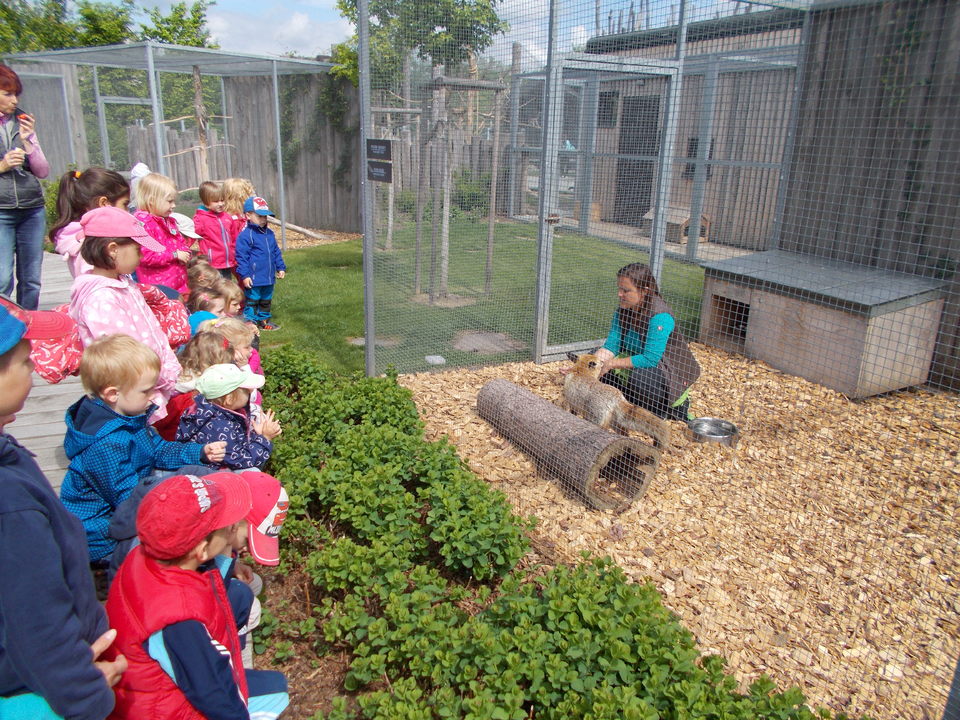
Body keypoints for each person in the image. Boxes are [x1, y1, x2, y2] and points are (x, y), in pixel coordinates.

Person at [0, 301, 126, 719]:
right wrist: (88, 696)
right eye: (24, 361)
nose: (34, 366)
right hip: (42, 693)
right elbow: (36, 619)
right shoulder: (10, 502)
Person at [106, 472, 289, 720]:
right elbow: (214, 694)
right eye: (226, 526)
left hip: (149, 689)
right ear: (202, 550)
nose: (232, 527)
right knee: (277, 694)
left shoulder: (142, 557)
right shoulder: (179, 618)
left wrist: (225, 552)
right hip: (167, 711)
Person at [59, 334, 226, 563]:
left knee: (194, 475)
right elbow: (128, 499)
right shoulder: (106, 444)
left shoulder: (127, 417)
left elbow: (159, 450)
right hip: (102, 535)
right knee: (170, 545)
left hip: (129, 503)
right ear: (112, 394)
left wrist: (199, 452)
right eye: (146, 391)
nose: (153, 398)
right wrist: (175, 501)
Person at [68, 205, 184, 414]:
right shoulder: (101, 299)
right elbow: (126, 357)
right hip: (132, 396)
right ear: (113, 249)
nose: (141, 256)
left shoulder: (122, 283)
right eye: (138, 250)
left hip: (150, 387)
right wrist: (165, 378)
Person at [589, 262, 700, 420]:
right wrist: (585, 368)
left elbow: (650, 358)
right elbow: (612, 345)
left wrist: (612, 363)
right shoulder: (624, 310)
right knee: (594, 360)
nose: (619, 294)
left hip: (664, 373)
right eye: (619, 289)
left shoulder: (660, 317)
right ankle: (624, 403)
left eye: (626, 290)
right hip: (636, 365)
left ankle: (659, 412)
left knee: (641, 377)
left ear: (645, 291)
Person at [0, 64, 50, 309]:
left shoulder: (22, 122)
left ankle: (29, 325)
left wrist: (30, 140)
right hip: (2, 210)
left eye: (16, 94)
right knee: (2, 279)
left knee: (31, 280)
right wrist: (2, 165)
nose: (15, 100)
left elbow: (42, 171)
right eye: (7, 94)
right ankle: (5, 328)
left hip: (32, 209)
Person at [177, 363, 281, 471]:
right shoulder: (220, 426)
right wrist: (265, 439)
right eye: (246, 390)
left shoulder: (204, 411)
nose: (250, 391)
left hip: (205, 469)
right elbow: (241, 460)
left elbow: (235, 445)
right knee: (252, 471)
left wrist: (256, 435)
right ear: (229, 399)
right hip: (215, 475)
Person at [50, 167, 131, 278]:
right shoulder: (92, 244)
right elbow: (98, 283)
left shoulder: (85, 239)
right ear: (104, 203)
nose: (127, 212)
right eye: (125, 204)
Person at [133, 172, 192, 296]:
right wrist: (174, 255)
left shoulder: (169, 221)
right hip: (160, 290)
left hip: (178, 284)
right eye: (169, 201)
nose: (173, 205)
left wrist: (186, 253)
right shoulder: (143, 224)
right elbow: (145, 255)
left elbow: (180, 243)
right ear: (151, 201)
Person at [235, 196, 285, 331]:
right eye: (260, 216)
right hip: (254, 278)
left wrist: (280, 267)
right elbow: (241, 257)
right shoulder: (246, 235)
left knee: (266, 300)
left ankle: (264, 321)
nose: (263, 219)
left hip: (268, 277)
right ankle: (250, 322)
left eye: (265, 216)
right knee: (252, 299)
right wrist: (245, 275)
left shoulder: (269, 234)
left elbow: (276, 251)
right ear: (248, 215)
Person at [193, 180, 238, 280]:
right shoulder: (200, 219)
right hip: (212, 264)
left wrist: (235, 254)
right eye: (216, 201)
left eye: (222, 200)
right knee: (214, 288)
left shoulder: (227, 217)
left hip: (227, 262)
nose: (221, 204)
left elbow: (234, 237)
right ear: (206, 202)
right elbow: (192, 236)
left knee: (225, 287)